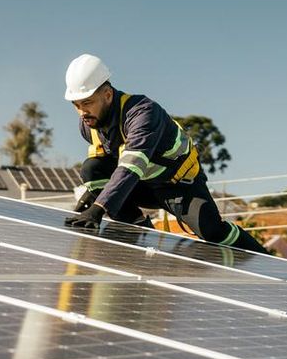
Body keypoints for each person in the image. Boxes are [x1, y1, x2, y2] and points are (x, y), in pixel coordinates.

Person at [60, 54, 266, 255]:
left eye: (87, 103)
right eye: (76, 105)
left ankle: (265, 258)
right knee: (91, 169)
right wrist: (94, 190)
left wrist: (98, 208)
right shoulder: (89, 124)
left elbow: (132, 165)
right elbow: (106, 161)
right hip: (142, 185)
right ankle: (138, 229)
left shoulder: (142, 113)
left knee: (213, 231)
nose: (81, 112)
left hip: (177, 186)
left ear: (107, 94)